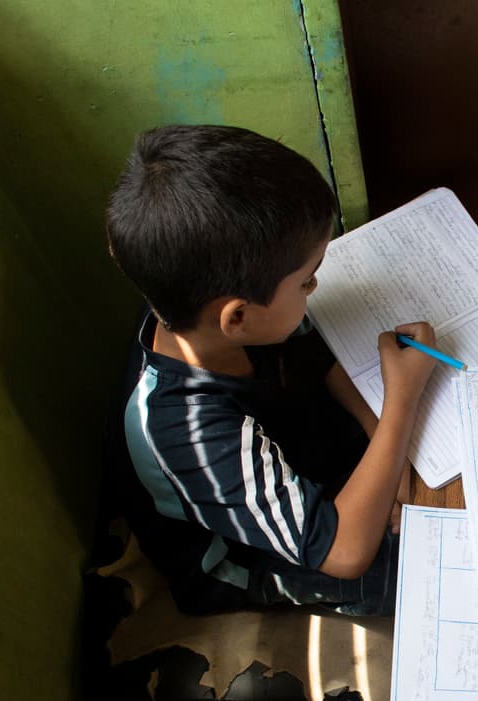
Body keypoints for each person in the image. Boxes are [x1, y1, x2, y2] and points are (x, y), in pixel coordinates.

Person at [103, 124, 435, 617]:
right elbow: (344, 553)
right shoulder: (182, 429)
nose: (315, 288)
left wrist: (381, 433)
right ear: (236, 317)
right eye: (307, 281)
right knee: (426, 566)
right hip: (254, 559)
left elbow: (313, 352)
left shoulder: (198, 305)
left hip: (296, 460)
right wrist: (400, 404)